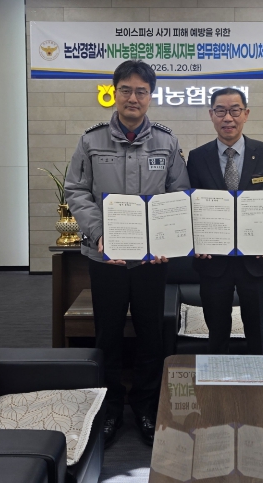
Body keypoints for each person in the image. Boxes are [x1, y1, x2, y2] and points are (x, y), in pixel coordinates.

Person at [64, 60, 190, 447]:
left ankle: (147, 407)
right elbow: (75, 190)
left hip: (152, 262)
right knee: (108, 334)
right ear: (113, 93)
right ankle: (110, 409)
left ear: (150, 96)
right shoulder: (91, 140)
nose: (133, 98)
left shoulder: (166, 142)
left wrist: (167, 240)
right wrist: (99, 233)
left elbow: (179, 193)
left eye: (141, 91)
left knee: (152, 334)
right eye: (126, 90)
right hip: (106, 258)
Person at [186, 87, 263, 355]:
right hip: (213, 262)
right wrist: (195, 239)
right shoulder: (197, 157)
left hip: (257, 261)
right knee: (216, 335)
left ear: (246, 114)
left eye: (235, 110)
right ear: (211, 114)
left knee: (258, 335)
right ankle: (217, 382)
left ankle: (260, 383)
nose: (228, 118)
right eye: (220, 111)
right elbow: (191, 206)